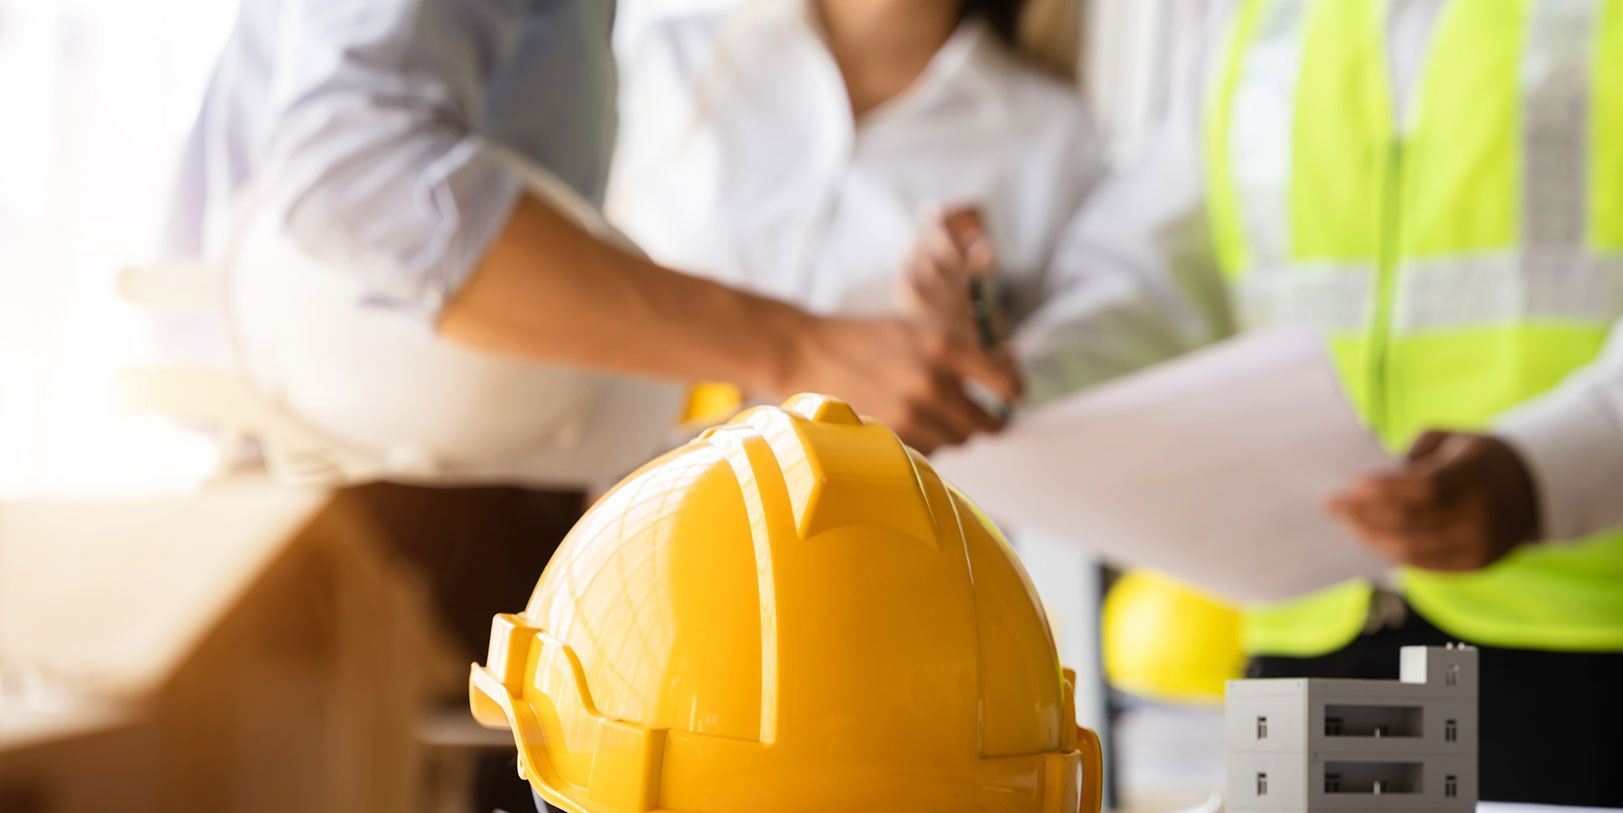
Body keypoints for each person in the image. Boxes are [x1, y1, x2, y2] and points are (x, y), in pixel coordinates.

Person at [929, 0, 1623, 813]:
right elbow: (1154, 274)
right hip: (1309, 646)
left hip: (1609, 648)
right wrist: (1009, 374)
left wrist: (1549, 469)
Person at [159, 0, 1018, 472]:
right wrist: (796, 348)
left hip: (496, 474)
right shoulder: (683, 54)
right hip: (313, 454)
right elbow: (357, 174)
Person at [603, 0, 1099, 451]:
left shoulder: (1055, 138)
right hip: (627, 515)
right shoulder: (664, 57)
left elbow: (1031, 407)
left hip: (868, 534)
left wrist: (963, 348)